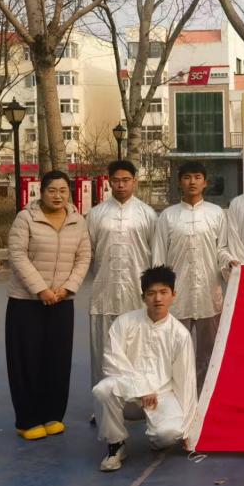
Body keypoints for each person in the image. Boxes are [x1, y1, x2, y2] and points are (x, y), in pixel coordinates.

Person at [5, 170, 91, 440]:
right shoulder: (25, 218)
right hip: (26, 302)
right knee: (26, 360)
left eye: (63, 190)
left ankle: (53, 415)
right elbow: (17, 255)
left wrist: (67, 288)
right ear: (41, 192)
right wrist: (41, 289)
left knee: (58, 359)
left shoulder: (78, 221)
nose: (58, 196)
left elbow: (84, 257)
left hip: (62, 301)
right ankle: (27, 420)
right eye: (52, 190)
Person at [93, 265, 198, 472]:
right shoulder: (125, 323)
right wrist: (141, 389)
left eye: (163, 292)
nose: (158, 298)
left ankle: (157, 436)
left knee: (170, 434)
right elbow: (113, 361)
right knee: (103, 390)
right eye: (151, 293)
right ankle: (116, 445)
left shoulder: (180, 334)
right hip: (129, 394)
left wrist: (189, 428)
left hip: (162, 395)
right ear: (143, 297)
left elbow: (186, 381)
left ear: (173, 295)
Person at [152, 162, 235, 390]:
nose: (192, 182)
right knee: (174, 350)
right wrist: (160, 294)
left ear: (205, 182)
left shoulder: (216, 214)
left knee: (209, 352)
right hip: (177, 297)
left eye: (197, 177)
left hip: (209, 294)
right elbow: (159, 256)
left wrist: (229, 262)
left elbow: (222, 249)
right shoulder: (167, 216)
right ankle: (176, 396)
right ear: (179, 182)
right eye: (187, 177)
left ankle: (204, 397)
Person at [86, 160, 157, 403]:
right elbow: (88, 252)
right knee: (103, 350)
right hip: (103, 293)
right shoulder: (96, 214)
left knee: (138, 350)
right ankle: (103, 404)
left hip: (137, 294)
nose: (121, 185)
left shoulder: (147, 214)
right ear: (109, 182)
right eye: (116, 180)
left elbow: (155, 254)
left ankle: (137, 401)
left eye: (126, 180)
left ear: (134, 181)